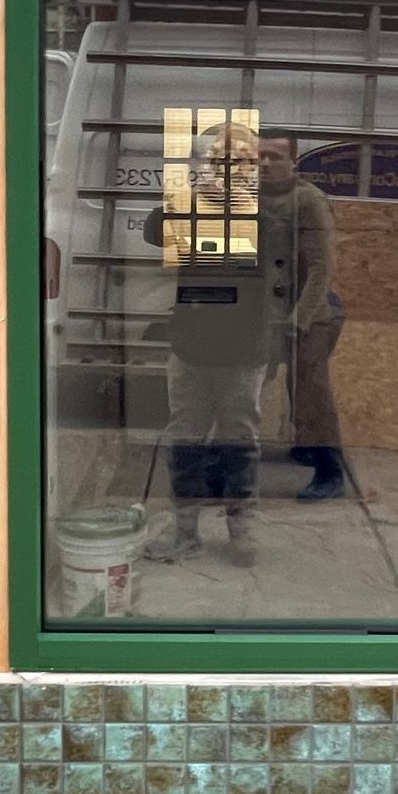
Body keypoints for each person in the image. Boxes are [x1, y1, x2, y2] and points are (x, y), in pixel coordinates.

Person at [141, 117, 269, 566]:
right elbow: (154, 233)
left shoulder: (263, 212)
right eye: (216, 161)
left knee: (240, 442)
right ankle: (185, 531)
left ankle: (242, 529)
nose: (226, 170)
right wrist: (186, 191)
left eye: (237, 162)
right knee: (186, 442)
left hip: (242, 352)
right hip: (192, 346)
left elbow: (271, 271)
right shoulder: (189, 204)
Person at [257, 130, 348, 502]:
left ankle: (330, 470)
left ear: (293, 162)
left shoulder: (308, 201)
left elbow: (321, 269)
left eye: (275, 157)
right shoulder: (248, 199)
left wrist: (298, 322)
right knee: (244, 387)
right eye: (259, 156)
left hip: (312, 312)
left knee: (309, 387)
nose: (265, 163)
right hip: (264, 313)